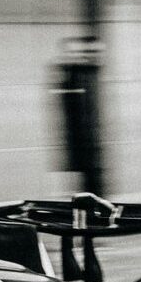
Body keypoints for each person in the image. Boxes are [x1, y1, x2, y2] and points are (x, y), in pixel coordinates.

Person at [54, 36, 107, 195]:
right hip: (85, 151)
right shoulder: (76, 76)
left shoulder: (88, 74)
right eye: (91, 51)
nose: (95, 55)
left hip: (90, 151)